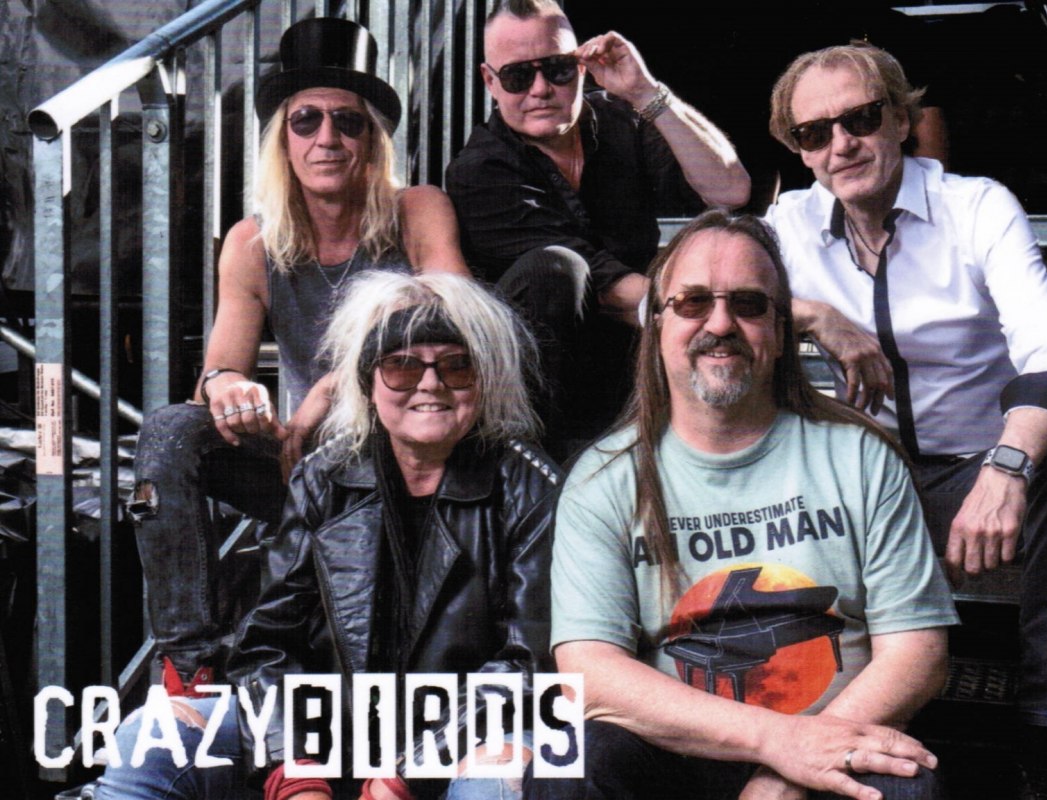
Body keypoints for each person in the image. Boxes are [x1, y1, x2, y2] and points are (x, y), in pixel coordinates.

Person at [764, 42, 1047, 798]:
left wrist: (1007, 466)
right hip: (869, 481)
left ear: (900, 119)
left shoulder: (974, 206)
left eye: (859, 119)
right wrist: (812, 314)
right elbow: (691, 303)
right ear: (800, 150)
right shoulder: (789, 223)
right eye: (814, 133)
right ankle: (835, 717)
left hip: (979, 470)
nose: (840, 145)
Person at [526, 211, 958, 800]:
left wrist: (788, 772)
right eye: (693, 302)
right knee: (570, 762)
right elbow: (591, 673)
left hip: (834, 744)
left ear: (779, 333)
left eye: (749, 304)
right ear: (656, 325)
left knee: (904, 784)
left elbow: (917, 655)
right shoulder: (604, 478)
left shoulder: (861, 455)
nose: (721, 323)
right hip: (673, 754)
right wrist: (777, 744)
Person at [98, 270, 559, 800]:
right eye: (402, 365)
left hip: (468, 736)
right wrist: (294, 765)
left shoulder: (530, 485)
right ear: (367, 380)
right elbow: (266, 644)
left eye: (457, 365)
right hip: (329, 729)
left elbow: (528, 665)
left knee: (496, 782)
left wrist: (405, 774)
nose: (430, 384)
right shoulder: (324, 475)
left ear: (486, 378)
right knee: (151, 737)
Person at [128, 17, 470, 695]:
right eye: (306, 120)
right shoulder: (252, 242)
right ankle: (191, 666)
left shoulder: (417, 209)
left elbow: (455, 311)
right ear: (283, 140)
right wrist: (229, 389)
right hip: (302, 462)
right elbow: (218, 369)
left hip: (402, 459)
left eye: (348, 122)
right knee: (171, 432)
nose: (326, 138)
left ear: (371, 140)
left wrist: (338, 387)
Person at [445, 0, 750, 457]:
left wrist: (647, 94)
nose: (541, 89)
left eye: (557, 69)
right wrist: (711, 311)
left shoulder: (619, 119)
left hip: (638, 351)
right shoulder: (479, 169)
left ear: (581, 67)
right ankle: (531, 464)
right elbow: (603, 285)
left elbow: (729, 190)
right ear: (490, 82)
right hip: (545, 381)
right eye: (518, 76)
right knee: (556, 269)